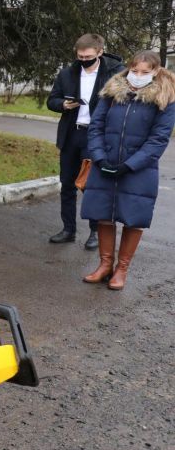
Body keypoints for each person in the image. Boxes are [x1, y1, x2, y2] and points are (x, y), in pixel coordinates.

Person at [81, 50, 175, 290]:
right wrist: (100, 158)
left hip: (138, 170)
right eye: (134, 70)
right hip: (106, 163)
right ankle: (104, 265)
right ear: (128, 68)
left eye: (145, 72)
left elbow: (158, 140)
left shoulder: (164, 99)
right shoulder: (112, 92)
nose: (138, 76)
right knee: (103, 213)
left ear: (156, 72)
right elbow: (96, 126)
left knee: (133, 218)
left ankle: (121, 269)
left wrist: (129, 165)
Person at [46, 34, 124, 249]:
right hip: (72, 134)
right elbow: (51, 100)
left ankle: (95, 232)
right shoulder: (67, 73)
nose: (83, 59)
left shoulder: (114, 73)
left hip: (97, 136)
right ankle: (68, 229)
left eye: (87, 56)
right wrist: (63, 104)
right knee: (67, 184)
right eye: (79, 56)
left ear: (100, 52)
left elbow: (122, 101)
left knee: (91, 186)